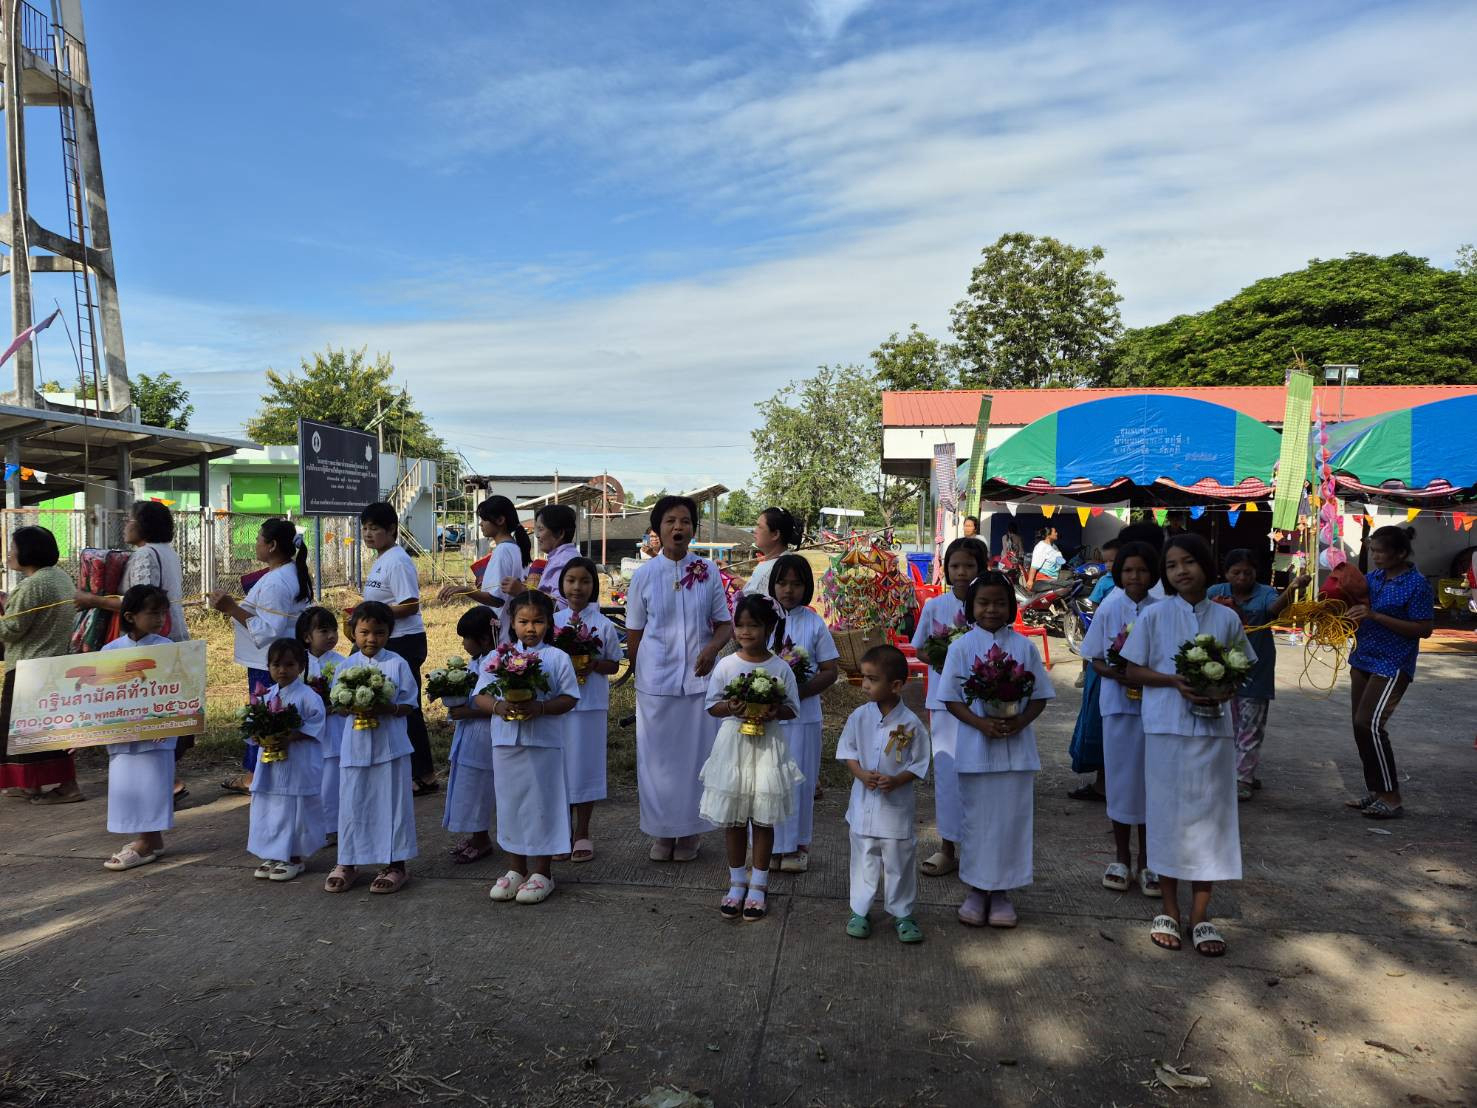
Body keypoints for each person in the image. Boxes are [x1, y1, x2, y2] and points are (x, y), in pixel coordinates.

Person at [1121, 534, 1255, 957]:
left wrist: (1222, 690)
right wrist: (1174, 681)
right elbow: (1131, 669)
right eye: (1173, 564)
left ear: (1205, 565)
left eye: (1189, 562)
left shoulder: (1226, 618)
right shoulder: (1155, 616)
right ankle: (1167, 908)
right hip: (1165, 732)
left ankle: (1200, 915)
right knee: (1166, 820)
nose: (1181, 571)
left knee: (1210, 821)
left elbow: (1241, 671)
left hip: (1213, 734)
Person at [940, 572, 1054, 930]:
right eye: (984, 603)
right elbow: (950, 699)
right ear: (971, 607)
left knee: (1011, 823)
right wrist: (980, 723)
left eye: (1000, 602)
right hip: (976, 748)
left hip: (1016, 750)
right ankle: (976, 889)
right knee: (977, 822)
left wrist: (1019, 722)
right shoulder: (960, 647)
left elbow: (1039, 697)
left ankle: (1003, 892)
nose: (992, 609)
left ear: (1011, 607)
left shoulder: (1024, 647)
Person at [625, 495, 733, 863]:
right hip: (655, 682)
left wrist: (711, 650)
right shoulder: (643, 575)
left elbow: (724, 624)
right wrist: (637, 670)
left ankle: (690, 832)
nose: (678, 528)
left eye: (685, 521)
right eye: (670, 521)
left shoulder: (708, 571)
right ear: (657, 529)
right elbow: (635, 632)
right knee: (657, 760)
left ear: (693, 529)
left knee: (695, 759)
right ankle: (662, 831)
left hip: (700, 683)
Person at [74, 501, 191, 800]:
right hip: (174, 635)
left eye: (130, 519)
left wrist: (92, 600)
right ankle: (166, 779)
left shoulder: (144, 555)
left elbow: (140, 603)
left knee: (143, 708)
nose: (126, 524)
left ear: (144, 525)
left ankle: (164, 783)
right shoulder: (168, 553)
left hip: (149, 641)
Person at [699, 594, 803, 922]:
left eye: (753, 626)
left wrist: (774, 710)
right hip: (733, 747)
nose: (745, 632)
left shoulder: (779, 667)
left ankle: (759, 884)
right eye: (740, 625)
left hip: (766, 747)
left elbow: (792, 708)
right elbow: (711, 705)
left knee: (762, 816)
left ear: (769, 627)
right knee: (733, 818)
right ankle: (736, 882)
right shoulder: (728, 665)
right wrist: (730, 707)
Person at [480, 590, 580, 906]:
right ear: (513, 622)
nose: (531, 628)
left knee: (542, 803)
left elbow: (569, 697)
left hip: (543, 743)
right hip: (507, 741)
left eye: (538, 621)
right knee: (511, 803)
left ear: (549, 623)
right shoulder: (499, 657)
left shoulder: (557, 658)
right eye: (524, 621)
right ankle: (515, 869)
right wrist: (498, 707)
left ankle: (542, 871)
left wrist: (540, 708)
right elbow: (480, 694)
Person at [1081, 542, 1161, 897]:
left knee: (1151, 781)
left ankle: (1148, 860)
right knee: (1120, 780)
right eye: (1128, 570)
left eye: (1142, 570)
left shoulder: (1162, 610)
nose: (1135, 577)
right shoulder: (1110, 607)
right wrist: (1119, 674)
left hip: (1155, 707)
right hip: (1117, 705)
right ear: (1118, 574)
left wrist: (1147, 674)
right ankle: (1120, 857)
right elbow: (1094, 657)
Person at [210, 517, 312, 795]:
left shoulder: (277, 582)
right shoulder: (287, 573)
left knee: (265, 717)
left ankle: (258, 775)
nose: (255, 544)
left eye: (258, 539)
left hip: (269, 662)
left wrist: (231, 607)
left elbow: (269, 630)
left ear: (272, 545)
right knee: (270, 714)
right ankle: (255, 772)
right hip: (277, 659)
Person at [837, 644, 931, 943]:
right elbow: (849, 750)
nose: (864, 685)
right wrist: (860, 774)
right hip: (863, 804)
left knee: (898, 861)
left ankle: (902, 913)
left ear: (896, 685)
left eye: (872, 679)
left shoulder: (911, 725)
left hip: (895, 808)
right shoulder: (859, 717)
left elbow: (919, 763)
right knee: (864, 858)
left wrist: (897, 780)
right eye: (864, 678)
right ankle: (859, 911)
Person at [324, 601, 419, 895]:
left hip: (389, 747)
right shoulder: (346, 666)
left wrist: (385, 707)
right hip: (354, 747)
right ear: (353, 632)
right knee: (353, 802)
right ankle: (348, 861)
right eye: (364, 632)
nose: (371, 639)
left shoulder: (397, 664)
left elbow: (409, 705)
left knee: (392, 803)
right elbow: (337, 706)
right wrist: (351, 704)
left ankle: (395, 864)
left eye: (379, 632)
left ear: (389, 633)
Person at [909, 536, 988, 878]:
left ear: (981, 569)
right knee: (947, 772)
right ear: (945, 568)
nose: (961, 572)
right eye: (955, 565)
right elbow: (921, 649)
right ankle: (947, 847)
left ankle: (979, 848)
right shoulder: (935, 606)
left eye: (969, 566)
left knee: (978, 772)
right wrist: (944, 656)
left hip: (981, 703)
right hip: (943, 701)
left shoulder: (989, 606)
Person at [1343, 526, 1434, 821]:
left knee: (1369, 724)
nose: (1376, 557)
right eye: (1373, 551)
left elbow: (1424, 629)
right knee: (1360, 727)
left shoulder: (1417, 585)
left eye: (1381, 552)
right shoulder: (1373, 578)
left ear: (1401, 553)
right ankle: (1377, 790)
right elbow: (1356, 601)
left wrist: (1376, 616)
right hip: (1363, 658)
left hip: (1393, 663)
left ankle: (1392, 798)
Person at [1208, 550, 1310, 801]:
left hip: (1256, 667)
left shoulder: (1265, 592)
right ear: (1226, 573)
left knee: (1251, 727)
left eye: (1248, 572)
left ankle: (1243, 778)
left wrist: (1292, 588)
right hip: (1220, 668)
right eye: (1236, 572)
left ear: (1256, 573)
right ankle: (1232, 772)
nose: (1242, 577)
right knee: (1225, 725)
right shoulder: (1214, 592)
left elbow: (1273, 610)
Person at [0, 526, 83, 804]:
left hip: (28, 666)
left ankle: (65, 786)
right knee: (47, 729)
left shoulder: (31, 584)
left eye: (13, 547)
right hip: (53, 663)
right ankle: (30, 785)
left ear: (28, 551)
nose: (9, 553)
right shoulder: (59, 577)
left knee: (28, 733)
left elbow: (11, 629)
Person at [360, 501, 437, 797]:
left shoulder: (397, 560)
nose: (368, 534)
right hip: (388, 638)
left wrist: (373, 616)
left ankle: (425, 774)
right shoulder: (381, 558)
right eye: (365, 528)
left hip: (404, 640)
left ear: (392, 529)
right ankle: (408, 768)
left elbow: (409, 604)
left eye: (375, 528)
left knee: (407, 707)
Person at [768, 554, 839, 873]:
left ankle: (797, 845)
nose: (788, 590)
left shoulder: (814, 622)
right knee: (768, 781)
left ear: (807, 587)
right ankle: (768, 845)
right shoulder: (763, 619)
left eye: (796, 584)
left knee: (799, 780)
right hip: (766, 716)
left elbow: (829, 669)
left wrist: (797, 691)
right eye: (782, 582)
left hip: (804, 717)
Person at [100, 586, 175, 870]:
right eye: (153, 612)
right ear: (130, 616)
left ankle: (148, 839)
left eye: (163, 612)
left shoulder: (168, 649)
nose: (159, 618)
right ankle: (150, 840)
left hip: (156, 734)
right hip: (122, 735)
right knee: (127, 784)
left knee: (152, 783)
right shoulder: (110, 651)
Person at [553, 558, 622, 864]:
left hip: (590, 704)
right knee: (559, 767)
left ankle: (583, 832)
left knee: (586, 767)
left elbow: (613, 664)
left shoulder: (604, 625)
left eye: (584, 581)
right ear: (562, 584)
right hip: (558, 707)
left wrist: (591, 663)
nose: (577, 587)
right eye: (570, 580)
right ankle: (559, 832)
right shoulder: (552, 623)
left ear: (594, 585)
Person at [246, 637, 327, 882]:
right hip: (270, 764)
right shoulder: (265, 696)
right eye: (276, 665)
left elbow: (316, 725)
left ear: (301, 667)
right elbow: (251, 727)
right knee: (271, 808)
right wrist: (259, 736)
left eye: (289, 665)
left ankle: (294, 857)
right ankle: (272, 853)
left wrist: (291, 736)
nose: (282, 670)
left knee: (294, 810)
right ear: (269, 666)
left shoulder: (308, 696)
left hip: (297, 764)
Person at [442, 606, 499, 865]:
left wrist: (467, 712)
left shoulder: (496, 662)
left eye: (466, 638)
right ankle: (476, 834)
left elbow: (496, 705)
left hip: (484, 735)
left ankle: (481, 838)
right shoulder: (476, 661)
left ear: (485, 639)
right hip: (468, 733)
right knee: (466, 782)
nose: (463, 644)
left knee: (477, 787)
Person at [437, 495, 531, 623]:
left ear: (500, 520)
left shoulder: (502, 551)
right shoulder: (515, 548)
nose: (481, 524)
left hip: (500, 629)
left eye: (484, 519)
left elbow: (496, 599)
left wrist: (464, 589)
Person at [298, 606, 347, 843]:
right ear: (307, 636)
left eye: (334, 630)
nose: (331, 636)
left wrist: (333, 706)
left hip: (334, 729)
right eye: (323, 631)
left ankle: (332, 828)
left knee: (332, 783)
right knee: (311, 781)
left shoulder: (343, 663)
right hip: (307, 732)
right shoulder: (298, 663)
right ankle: (309, 825)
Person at [507, 504, 579, 610]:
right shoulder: (560, 558)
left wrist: (522, 592)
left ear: (560, 533)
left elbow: (564, 609)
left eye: (541, 529)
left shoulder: (564, 562)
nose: (537, 535)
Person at [744, 506, 801, 597]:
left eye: (760, 527)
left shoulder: (782, 569)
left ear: (775, 534)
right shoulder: (770, 562)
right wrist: (730, 575)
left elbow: (757, 602)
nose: (754, 531)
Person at [1024, 524, 1065, 592]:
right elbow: (1034, 566)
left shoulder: (1054, 546)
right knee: (1069, 584)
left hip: (1054, 578)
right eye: (1055, 532)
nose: (1057, 533)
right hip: (1045, 580)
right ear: (1048, 535)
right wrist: (1030, 581)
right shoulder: (1041, 547)